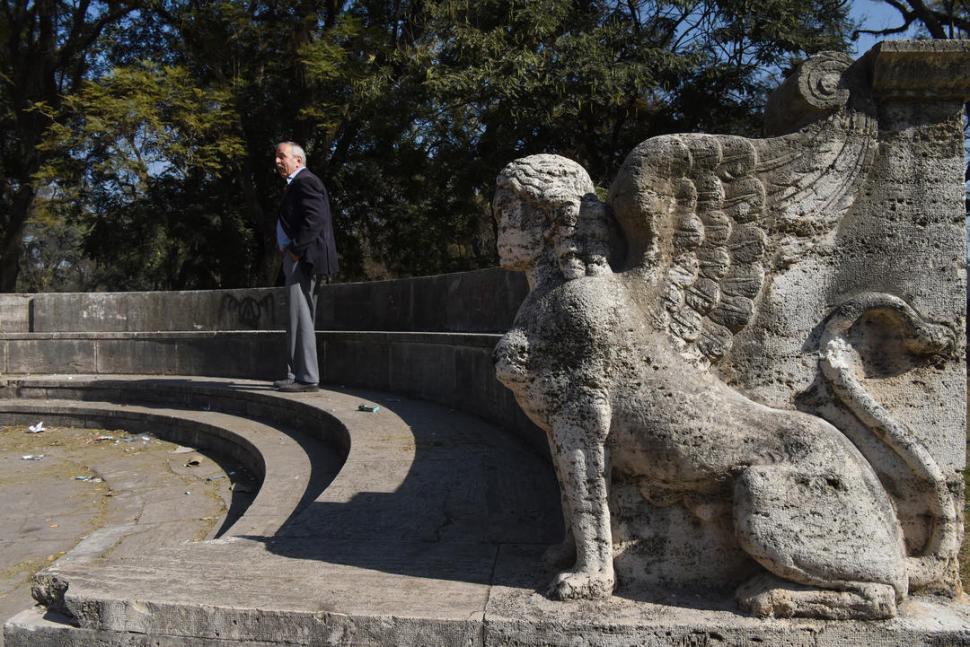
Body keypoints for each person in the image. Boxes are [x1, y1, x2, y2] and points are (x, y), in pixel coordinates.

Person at [272, 141, 339, 392]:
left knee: (302, 316)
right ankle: (293, 373)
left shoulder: (306, 181)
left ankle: (308, 377)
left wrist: (295, 251)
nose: (278, 161)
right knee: (295, 318)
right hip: (296, 258)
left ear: (298, 160)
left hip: (304, 259)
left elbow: (316, 219)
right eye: (277, 157)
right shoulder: (296, 184)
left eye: (282, 156)